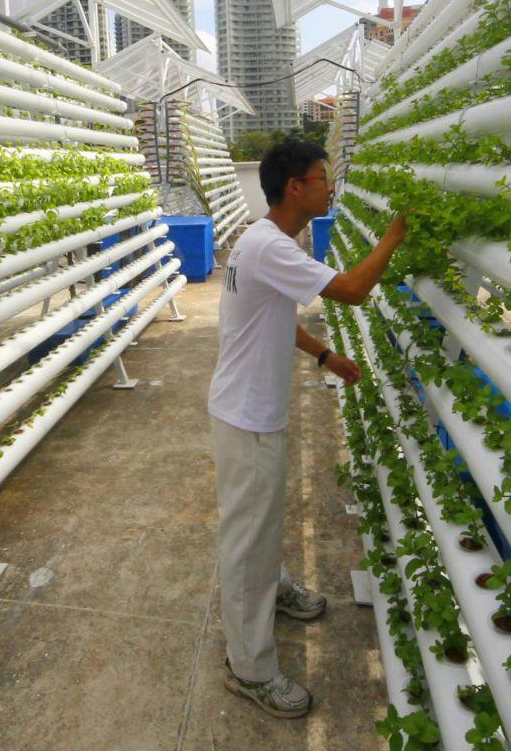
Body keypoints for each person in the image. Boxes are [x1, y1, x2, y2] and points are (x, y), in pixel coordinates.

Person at [207, 138, 408, 719]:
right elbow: (350, 291)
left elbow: (274, 316)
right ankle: (249, 669)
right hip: (246, 416)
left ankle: (273, 587)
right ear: (295, 187)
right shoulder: (270, 246)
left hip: (247, 408)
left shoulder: (263, 240)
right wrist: (394, 235)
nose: (330, 187)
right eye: (323, 179)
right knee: (245, 540)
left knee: (262, 517)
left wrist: (323, 355)